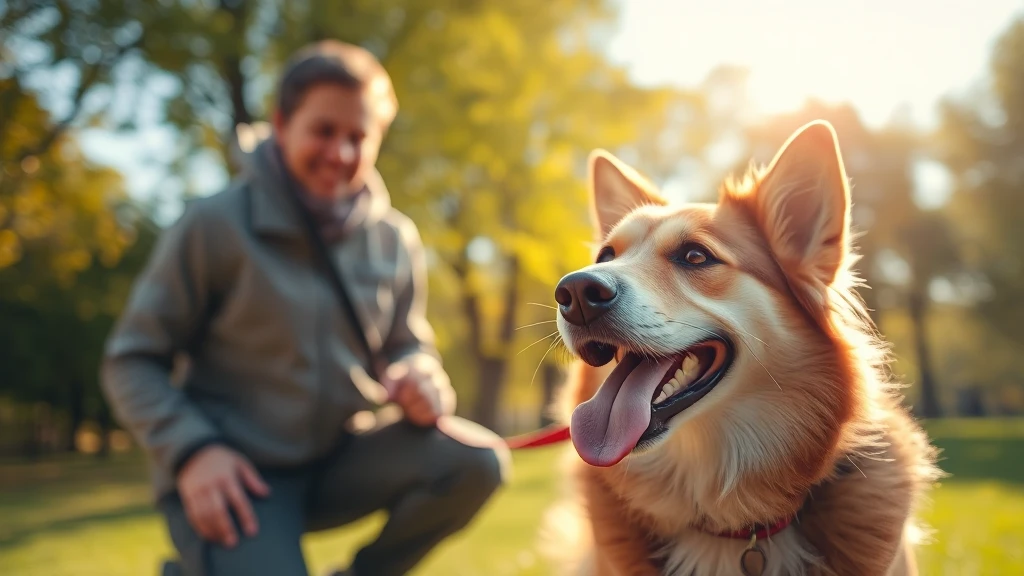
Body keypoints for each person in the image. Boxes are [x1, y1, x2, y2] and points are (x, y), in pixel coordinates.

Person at [101, 40, 509, 576]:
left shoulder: (394, 239)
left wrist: (421, 374)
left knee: (477, 462)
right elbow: (132, 360)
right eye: (324, 131)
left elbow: (407, 344)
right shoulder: (214, 224)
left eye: (358, 137)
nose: (340, 153)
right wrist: (193, 451)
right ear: (281, 123)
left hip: (342, 461)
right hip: (233, 472)